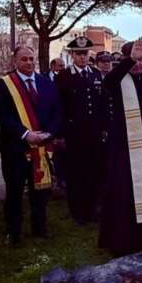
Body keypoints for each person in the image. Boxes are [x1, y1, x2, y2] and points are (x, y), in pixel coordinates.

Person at [98, 39, 142, 257]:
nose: (139, 64)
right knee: (124, 194)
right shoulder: (120, 78)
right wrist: (127, 61)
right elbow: (107, 83)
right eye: (135, 60)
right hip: (124, 149)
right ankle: (124, 241)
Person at [0, 46, 62, 246]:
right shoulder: (4, 84)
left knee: (40, 192)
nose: (29, 62)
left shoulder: (46, 82)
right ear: (15, 61)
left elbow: (57, 111)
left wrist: (49, 133)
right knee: (14, 192)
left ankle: (39, 228)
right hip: (15, 148)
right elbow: (2, 115)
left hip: (41, 147)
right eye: (24, 59)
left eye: (32, 58)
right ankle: (14, 232)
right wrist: (25, 134)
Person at [55, 36, 108, 224]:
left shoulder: (95, 74)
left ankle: (92, 209)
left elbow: (101, 104)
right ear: (72, 55)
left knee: (94, 173)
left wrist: (103, 128)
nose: (82, 57)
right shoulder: (64, 76)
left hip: (94, 133)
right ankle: (78, 212)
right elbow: (59, 107)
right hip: (74, 134)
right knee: (76, 175)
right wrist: (60, 135)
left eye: (85, 54)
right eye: (78, 54)